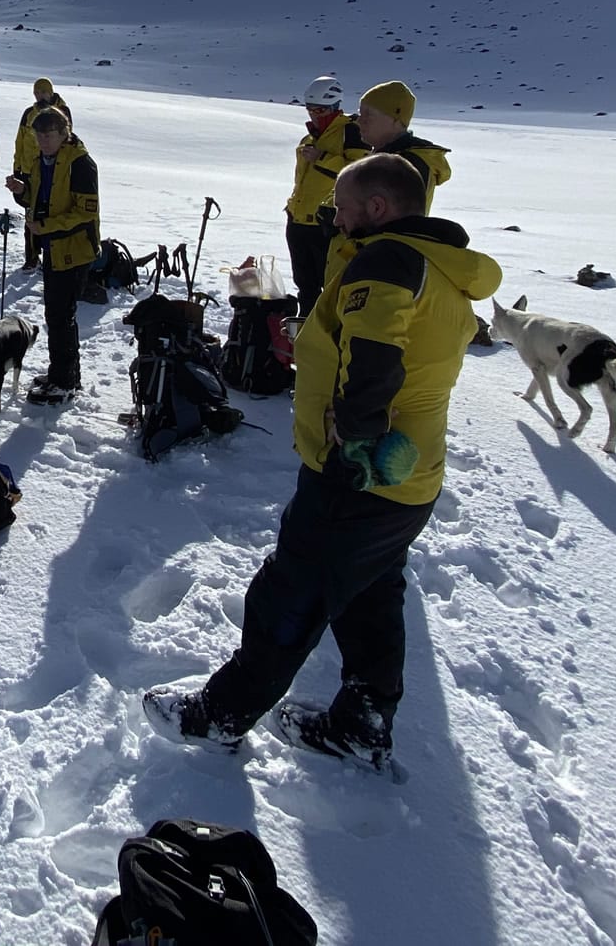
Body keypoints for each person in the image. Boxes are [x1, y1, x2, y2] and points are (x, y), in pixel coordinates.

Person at [143, 155, 502, 769]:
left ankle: (219, 716)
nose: (333, 214)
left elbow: (376, 352)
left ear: (379, 208)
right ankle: (361, 724)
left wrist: (354, 447)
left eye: (341, 202)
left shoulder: (388, 261)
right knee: (369, 597)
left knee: (290, 593)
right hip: (409, 480)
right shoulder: (439, 266)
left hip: (361, 473)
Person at [6, 107, 97, 402]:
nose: (43, 140)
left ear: (63, 133)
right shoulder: (41, 160)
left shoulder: (80, 163)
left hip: (74, 249)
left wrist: (47, 227)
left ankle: (64, 381)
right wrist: (21, 191)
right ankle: (64, 374)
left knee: (60, 316)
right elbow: (38, 197)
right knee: (56, 315)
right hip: (52, 247)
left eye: (49, 135)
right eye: (39, 135)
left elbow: (84, 213)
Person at [285, 76, 351, 315]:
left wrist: (323, 158)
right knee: (305, 285)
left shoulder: (350, 132)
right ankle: (304, 333)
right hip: (299, 220)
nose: (314, 114)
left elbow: (361, 169)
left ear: (335, 106)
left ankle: (329, 338)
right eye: (310, 109)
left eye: (320, 109)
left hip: (327, 223)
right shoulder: (310, 138)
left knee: (332, 286)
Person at [346, 81, 450, 210]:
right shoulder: (384, 157)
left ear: (396, 120)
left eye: (368, 115)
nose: (359, 121)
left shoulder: (406, 165)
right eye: (360, 113)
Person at [12, 79, 74, 269]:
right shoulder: (29, 113)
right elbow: (20, 140)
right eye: (36, 93)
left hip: (53, 170)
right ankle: (31, 257)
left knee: (50, 215)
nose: (39, 96)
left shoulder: (62, 111)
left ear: (50, 92)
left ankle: (51, 255)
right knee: (30, 215)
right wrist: (17, 166)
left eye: (42, 93)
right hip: (30, 170)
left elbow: (67, 139)